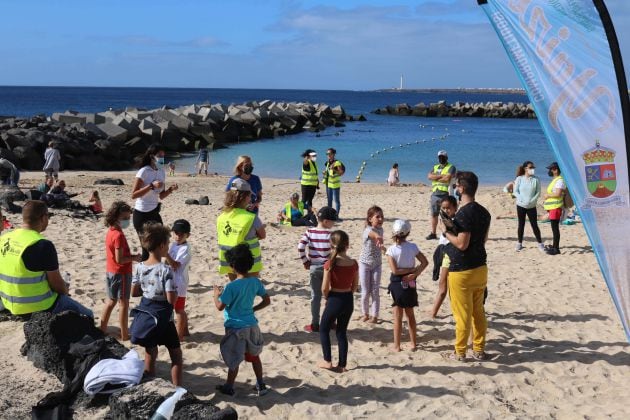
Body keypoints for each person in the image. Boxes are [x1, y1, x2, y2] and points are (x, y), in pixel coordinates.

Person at [0, 200, 94, 317]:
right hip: (38, 306)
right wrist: (65, 290)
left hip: (9, 303)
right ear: (43, 218)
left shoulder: (5, 238)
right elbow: (57, 285)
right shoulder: (43, 245)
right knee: (88, 315)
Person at [442, 171, 491, 361]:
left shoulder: (464, 213)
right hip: (480, 266)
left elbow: (462, 243)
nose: (455, 189)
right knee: (478, 312)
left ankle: (460, 352)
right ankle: (479, 349)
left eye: (456, 186)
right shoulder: (484, 212)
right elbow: (484, 239)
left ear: (461, 188)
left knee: (462, 314)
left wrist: (445, 232)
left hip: (462, 269)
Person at [214, 244, 271, 396]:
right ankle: (260, 384)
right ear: (250, 264)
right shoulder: (255, 282)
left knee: (234, 359)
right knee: (254, 357)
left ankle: (229, 386)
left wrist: (216, 294)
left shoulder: (231, 287)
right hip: (252, 325)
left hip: (235, 328)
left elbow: (220, 306)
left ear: (232, 266)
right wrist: (253, 309)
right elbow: (267, 301)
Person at [129, 223, 182, 386]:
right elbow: (171, 300)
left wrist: (149, 290)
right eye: (167, 243)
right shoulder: (165, 270)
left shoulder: (139, 267)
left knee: (150, 352)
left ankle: (150, 382)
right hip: (163, 318)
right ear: (161, 246)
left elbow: (134, 292)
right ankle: (177, 388)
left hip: (148, 315)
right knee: (176, 356)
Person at [100, 201, 141, 340]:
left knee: (111, 301)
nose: (127, 221)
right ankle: (124, 335)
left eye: (129, 218)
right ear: (115, 217)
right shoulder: (118, 235)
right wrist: (134, 257)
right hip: (121, 273)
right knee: (123, 303)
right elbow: (120, 259)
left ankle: (102, 329)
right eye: (125, 218)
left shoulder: (111, 231)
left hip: (111, 271)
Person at [386, 219, 429, 352]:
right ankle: (413, 344)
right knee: (410, 314)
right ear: (408, 233)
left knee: (397, 315)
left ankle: (397, 346)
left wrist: (410, 272)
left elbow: (395, 271)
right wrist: (414, 273)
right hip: (410, 281)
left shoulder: (391, 250)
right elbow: (425, 262)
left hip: (397, 282)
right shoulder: (413, 247)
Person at [131, 143, 179, 261]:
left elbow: (161, 196)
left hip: (154, 212)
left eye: (163, 155)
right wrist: (151, 186)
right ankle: (144, 276)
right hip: (141, 214)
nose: (162, 158)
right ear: (152, 156)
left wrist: (170, 190)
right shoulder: (144, 171)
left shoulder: (162, 172)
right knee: (147, 250)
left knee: (162, 241)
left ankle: (159, 268)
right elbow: (133, 194)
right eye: (159, 155)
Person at [319, 230, 358, 372]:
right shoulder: (354, 263)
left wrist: (328, 297)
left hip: (335, 297)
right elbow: (354, 286)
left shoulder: (330, 264)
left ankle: (327, 360)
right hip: (348, 299)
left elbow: (324, 288)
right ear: (347, 245)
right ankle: (342, 365)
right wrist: (347, 294)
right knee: (341, 332)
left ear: (331, 245)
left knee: (324, 328)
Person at [297, 206, 337, 333]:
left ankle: (315, 324)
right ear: (326, 221)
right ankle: (330, 322)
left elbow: (300, 247)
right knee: (329, 296)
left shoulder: (310, 232)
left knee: (315, 297)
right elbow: (336, 251)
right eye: (333, 221)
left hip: (314, 267)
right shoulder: (331, 235)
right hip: (328, 269)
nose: (334, 223)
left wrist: (305, 261)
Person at [217, 179, 265, 280]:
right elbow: (262, 235)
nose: (250, 199)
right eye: (249, 196)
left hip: (228, 259)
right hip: (248, 262)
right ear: (244, 197)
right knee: (248, 289)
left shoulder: (221, 216)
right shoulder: (251, 217)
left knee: (234, 285)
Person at [429, 195, 458, 319]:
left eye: (448, 208)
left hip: (450, 255)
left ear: (455, 208)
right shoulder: (444, 219)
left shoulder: (454, 221)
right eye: (443, 208)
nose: (446, 211)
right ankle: (434, 311)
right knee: (443, 285)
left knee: (443, 285)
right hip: (444, 253)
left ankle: (433, 312)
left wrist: (445, 229)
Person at [358, 205, 385, 323]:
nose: (380, 219)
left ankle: (374, 316)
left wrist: (382, 247)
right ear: (370, 219)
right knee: (365, 291)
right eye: (377, 217)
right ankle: (365, 314)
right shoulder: (367, 230)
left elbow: (378, 237)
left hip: (377, 264)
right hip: (364, 264)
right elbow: (373, 235)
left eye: (382, 217)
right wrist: (379, 238)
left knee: (375, 291)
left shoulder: (381, 229)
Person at [168, 219, 192, 341]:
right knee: (178, 308)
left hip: (179, 283)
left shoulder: (186, 248)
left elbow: (176, 265)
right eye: (175, 232)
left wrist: (165, 255)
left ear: (188, 235)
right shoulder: (173, 245)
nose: (177, 236)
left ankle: (179, 336)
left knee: (179, 310)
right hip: (172, 281)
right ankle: (185, 331)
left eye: (181, 234)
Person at [513, 161, 544, 252]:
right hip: (521, 205)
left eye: (533, 167)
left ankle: (540, 244)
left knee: (534, 225)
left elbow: (538, 192)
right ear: (525, 168)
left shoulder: (536, 179)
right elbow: (515, 192)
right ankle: (519, 243)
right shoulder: (519, 179)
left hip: (532, 206)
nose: (532, 169)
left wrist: (532, 201)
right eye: (531, 167)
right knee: (521, 225)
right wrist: (522, 199)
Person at [426, 150, 456, 240]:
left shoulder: (451, 167)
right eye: (440, 157)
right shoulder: (435, 167)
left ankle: (448, 233)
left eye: (443, 157)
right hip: (435, 194)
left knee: (447, 215)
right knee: (434, 214)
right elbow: (429, 177)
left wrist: (436, 177)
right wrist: (441, 176)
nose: (441, 159)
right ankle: (433, 233)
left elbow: (447, 178)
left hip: (446, 194)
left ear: (446, 158)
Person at [543, 162, 565, 256]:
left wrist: (547, 195)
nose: (549, 171)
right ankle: (554, 246)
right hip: (553, 208)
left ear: (555, 170)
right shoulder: (555, 180)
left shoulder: (559, 180)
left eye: (551, 169)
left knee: (555, 229)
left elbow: (558, 194)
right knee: (554, 228)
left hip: (555, 207)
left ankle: (556, 249)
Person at [322, 148, 344, 218]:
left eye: (329, 154)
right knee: (329, 201)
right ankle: (330, 215)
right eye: (327, 154)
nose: (328, 155)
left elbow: (341, 173)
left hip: (335, 185)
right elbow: (329, 173)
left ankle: (336, 216)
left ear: (333, 154)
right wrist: (325, 172)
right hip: (329, 184)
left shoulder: (337, 163)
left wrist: (334, 169)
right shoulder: (328, 163)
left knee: (336, 201)